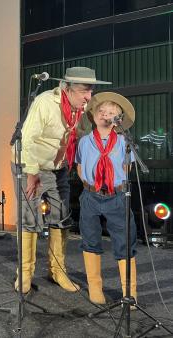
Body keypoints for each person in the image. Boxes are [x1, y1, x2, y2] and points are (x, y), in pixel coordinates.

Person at [12, 67, 111, 293]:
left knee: (61, 216)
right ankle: (25, 274)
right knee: (30, 218)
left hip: (59, 168)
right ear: (67, 89)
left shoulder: (82, 109)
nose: (89, 96)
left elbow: (86, 136)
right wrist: (32, 173)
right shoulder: (44, 103)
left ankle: (57, 271)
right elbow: (26, 140)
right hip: (31, 164)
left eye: (91, 90)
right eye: (84, 90)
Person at [76, 92, 137, 305]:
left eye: (111, 112)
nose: (105, 115)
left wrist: (114, 183)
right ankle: (95, 288)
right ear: (93, 115)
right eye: (101, 111)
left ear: (117, 119)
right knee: (91, 240)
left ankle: (129, 292)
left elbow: (126, 167)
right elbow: (80, 165)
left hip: (116, 195)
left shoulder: (123, 141)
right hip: (91, 196)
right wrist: (89, 183)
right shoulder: (84, 142)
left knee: (124, 242)